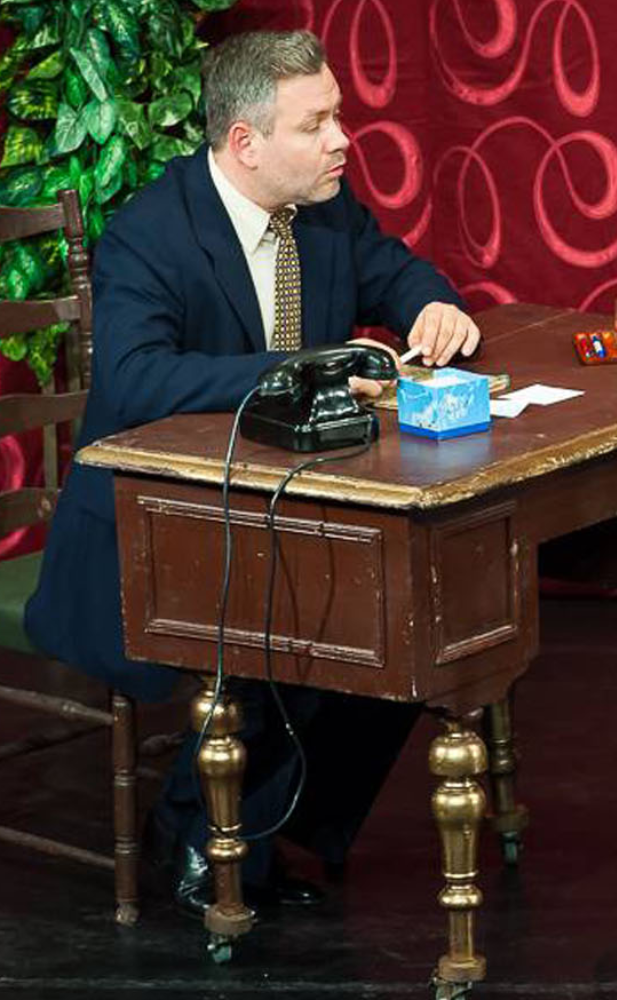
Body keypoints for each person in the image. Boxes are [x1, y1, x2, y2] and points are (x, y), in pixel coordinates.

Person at [23, 30, 482, 916]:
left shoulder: (324, 206)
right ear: (246, 142)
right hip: (149, 528)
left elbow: (396, 271)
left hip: (283, 505)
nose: (342, 140)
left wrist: (433, 305)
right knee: (301, 618)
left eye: (337, 115)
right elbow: (135, 377)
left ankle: (264, 830)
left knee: (408, 619)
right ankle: (209, 839)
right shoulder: (152, 234)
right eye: (316, 124)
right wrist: (299, 370)